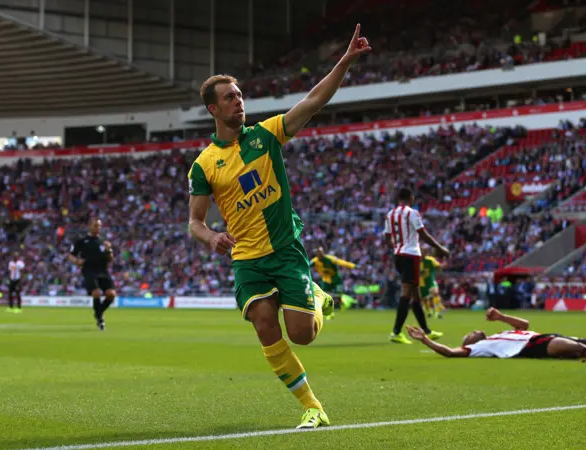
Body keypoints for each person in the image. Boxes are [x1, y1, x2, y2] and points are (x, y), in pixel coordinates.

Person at [188, 24, 371, 429]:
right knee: (263, 323)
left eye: (239, 95)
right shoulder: (204, 164)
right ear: (213, 110)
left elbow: (313, 101)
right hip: (248, 260)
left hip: (285, 250)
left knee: (302, 334)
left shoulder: (267, 135)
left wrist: (344, 61)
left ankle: (319, 298)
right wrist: (212, 236)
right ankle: (312, 406)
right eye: (229, 98)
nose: (238, 102)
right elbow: (195, 222)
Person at [384, 187, 449, 344]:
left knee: (415, 295)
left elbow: (387, 239)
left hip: (398, 256)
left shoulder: (390, 214)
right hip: (411, 255)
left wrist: (397, 249)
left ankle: (426, 331)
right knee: (406, 294)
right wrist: (440, 248)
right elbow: (423, 234)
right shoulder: (412, 213)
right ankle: (396, 332)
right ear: (410, 197)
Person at [406, 307, 586, 359]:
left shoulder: (499, 334)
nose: (475, 331)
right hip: (532, 345)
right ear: (467, 343)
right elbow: (450, 352)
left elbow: (524, 324)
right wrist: (425, 339)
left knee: (578, 343)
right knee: (573, 347)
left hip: (541, 336)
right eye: (470, 333)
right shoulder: (479, 347)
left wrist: (501, 317)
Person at [68, 218, 116, 331]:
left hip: (103, 271)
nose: (98, 228)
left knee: (111, 294)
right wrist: (76, 261)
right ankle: (100, 319)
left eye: (99, 226)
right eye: (95, 225)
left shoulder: (104, 241)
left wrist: (109, 250)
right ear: (89, 226)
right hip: (89, 270)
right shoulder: (81, 241)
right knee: (96, 293)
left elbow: (110, 259)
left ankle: (98, 313)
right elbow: (71, 255)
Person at [310, 247, 356, 317]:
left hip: (336, 279)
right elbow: (307, 265)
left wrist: (353, 266)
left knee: (339, 295)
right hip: (326, 280)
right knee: (325, 295)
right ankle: (328, 312)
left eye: (320, 253)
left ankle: (343, 304)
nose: (319, 255)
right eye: (318, 253)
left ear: (323, 253)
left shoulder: (330, 259)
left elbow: (342, 262)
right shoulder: (314, 261)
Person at [419, 248, 445, 319]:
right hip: (422, 283)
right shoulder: (416, 261)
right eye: (421, 252)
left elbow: (438, 266)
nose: (422, 253)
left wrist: (442, 265)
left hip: (430, 281)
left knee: (435, 293)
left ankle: (438, 312)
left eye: (423, 252)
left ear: (426, 253)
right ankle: (429, 311)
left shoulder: (430, 260)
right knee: (424, 299)